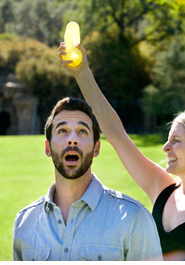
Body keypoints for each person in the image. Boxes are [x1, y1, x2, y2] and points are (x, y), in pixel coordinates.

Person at [58, 43, 185, 260]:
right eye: (167, 140)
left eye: (176, 140)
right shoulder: (163, 188)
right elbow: (116, 134)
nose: (165, 147)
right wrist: (82, 73)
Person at [12, 97, 162, 261]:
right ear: (48, 148)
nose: (72, 139)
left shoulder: (134, 218)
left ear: (96, 148)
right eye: (62, 131)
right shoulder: (24, 223)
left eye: (82, 131)